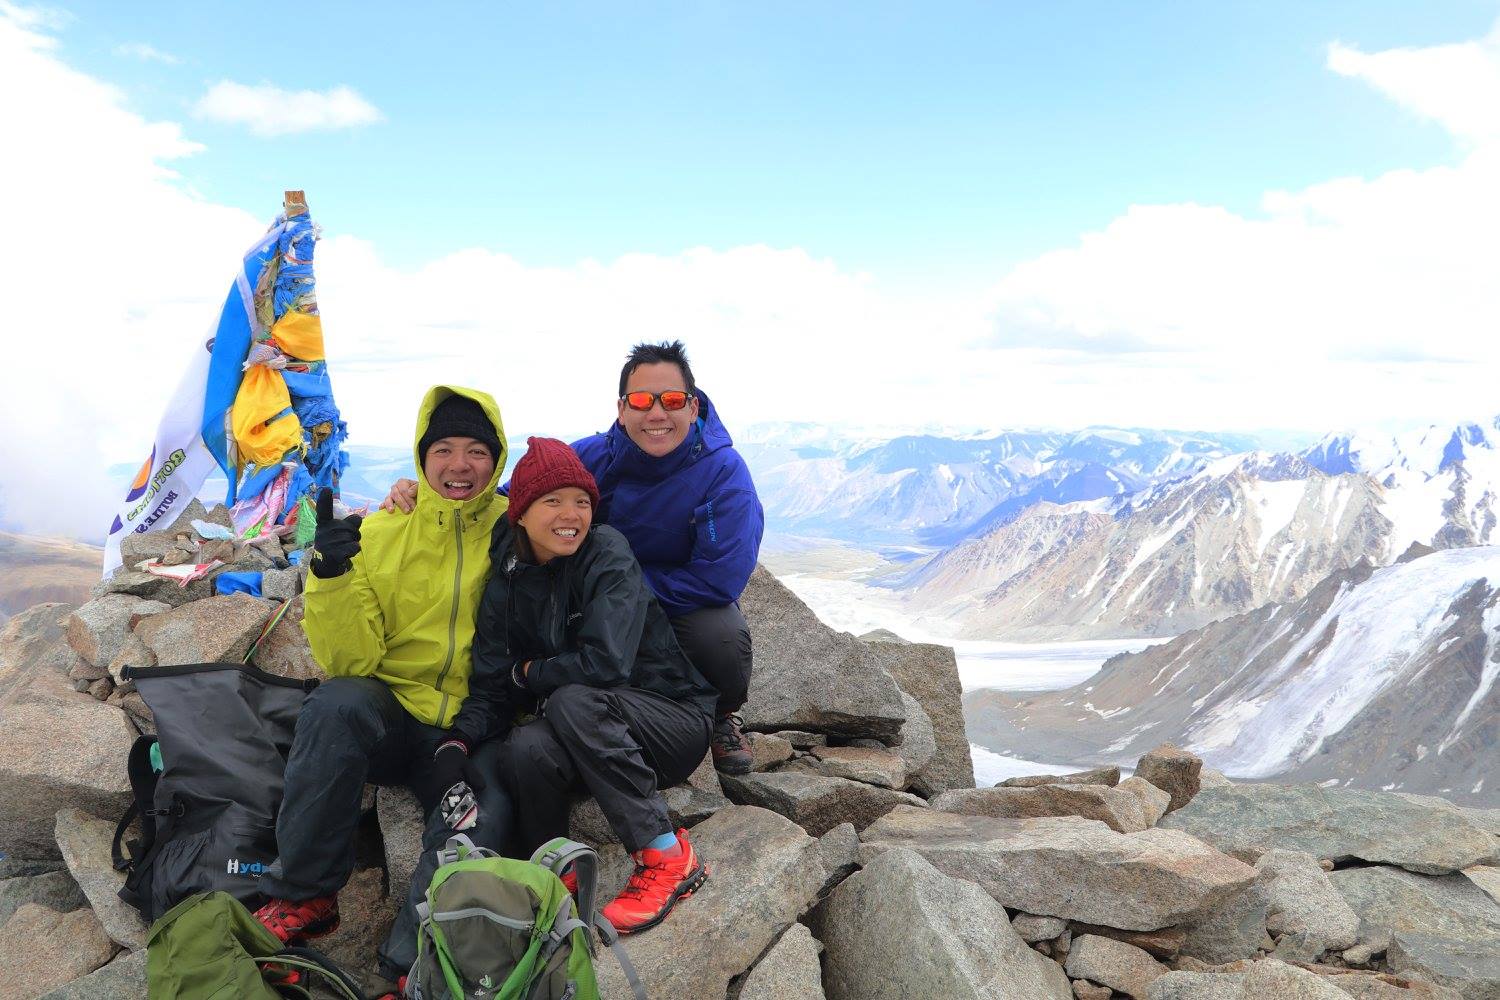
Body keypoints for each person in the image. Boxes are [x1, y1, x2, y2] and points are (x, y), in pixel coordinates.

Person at [385, 341, 764, 774]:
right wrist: (427, 492)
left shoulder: (724, 473)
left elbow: (720, 580)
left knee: (720, 632)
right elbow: (514, 503)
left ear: (693, 407)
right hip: (592, 598)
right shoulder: (593, 456)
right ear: (622, 409)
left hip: (660, 602)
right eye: (641, 401)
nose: (656, 414)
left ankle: (719, 714)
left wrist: (618, 592)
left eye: (672, 400)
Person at [254, 386, 514, 983]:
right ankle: (304, 895)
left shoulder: (515, 528)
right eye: (443, 448)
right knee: (335, 704)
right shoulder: (383, 531)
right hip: (395, 717)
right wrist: (331, 576)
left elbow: (571, 490)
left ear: (497, 459)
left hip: (475, 729)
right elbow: (352, 660)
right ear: (421, 459)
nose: (459, 465)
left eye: (477, 450)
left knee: (481, 819)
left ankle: (407, 968)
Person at [454, 436, 720, 934]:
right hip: (589, 734)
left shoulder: (606, 551)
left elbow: (606, 663)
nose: (571, 514)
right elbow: (493, 679)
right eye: (553, 501)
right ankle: (556, 870)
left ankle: (667, 855)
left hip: (670, 721)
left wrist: (531, 674)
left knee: (570, 698)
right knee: (523, 746)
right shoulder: (505, 583)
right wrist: (459, 738)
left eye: (581, 501)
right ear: (522, 514)